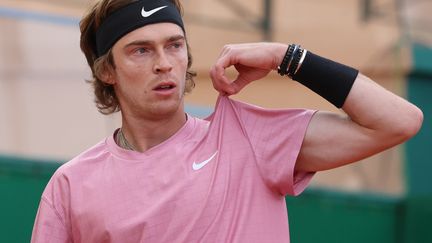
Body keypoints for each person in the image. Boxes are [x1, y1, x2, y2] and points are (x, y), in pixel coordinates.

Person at [31, 0, 423, 242]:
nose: (164, 62)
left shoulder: (249, 138)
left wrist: (283, 57)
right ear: (107, 72)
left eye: (175, 45)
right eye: (140, 50)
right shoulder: (71, 186)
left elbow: (398, 121)